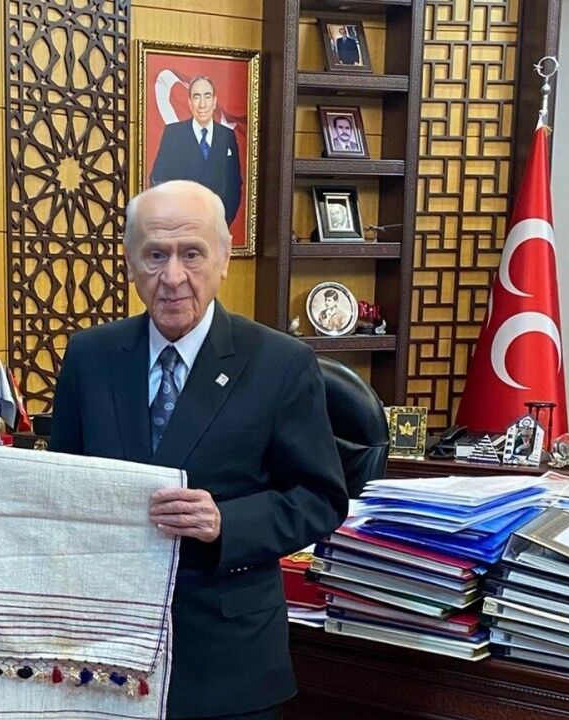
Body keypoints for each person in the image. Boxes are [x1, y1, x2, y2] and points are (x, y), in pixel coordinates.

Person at [49, 180, 349, 719]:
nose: (172, 277)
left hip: (227, 661)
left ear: (224, 259)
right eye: (155, 255)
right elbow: (60, 488)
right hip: (105, 653)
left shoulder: (281, 363)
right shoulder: (90, 356)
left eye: (192, 254)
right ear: (130, 262)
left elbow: (320, 498)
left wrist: (225, 523)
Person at [150, 76, 243, 226]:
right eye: (196, 97)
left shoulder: (227, 136)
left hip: (215, 227)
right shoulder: (173, 133)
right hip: (181, 227)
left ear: (214, 102)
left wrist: (222, 224)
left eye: (207, 96)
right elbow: (158, 180)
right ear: (190, 103)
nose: (202, 104)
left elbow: (235, 184)